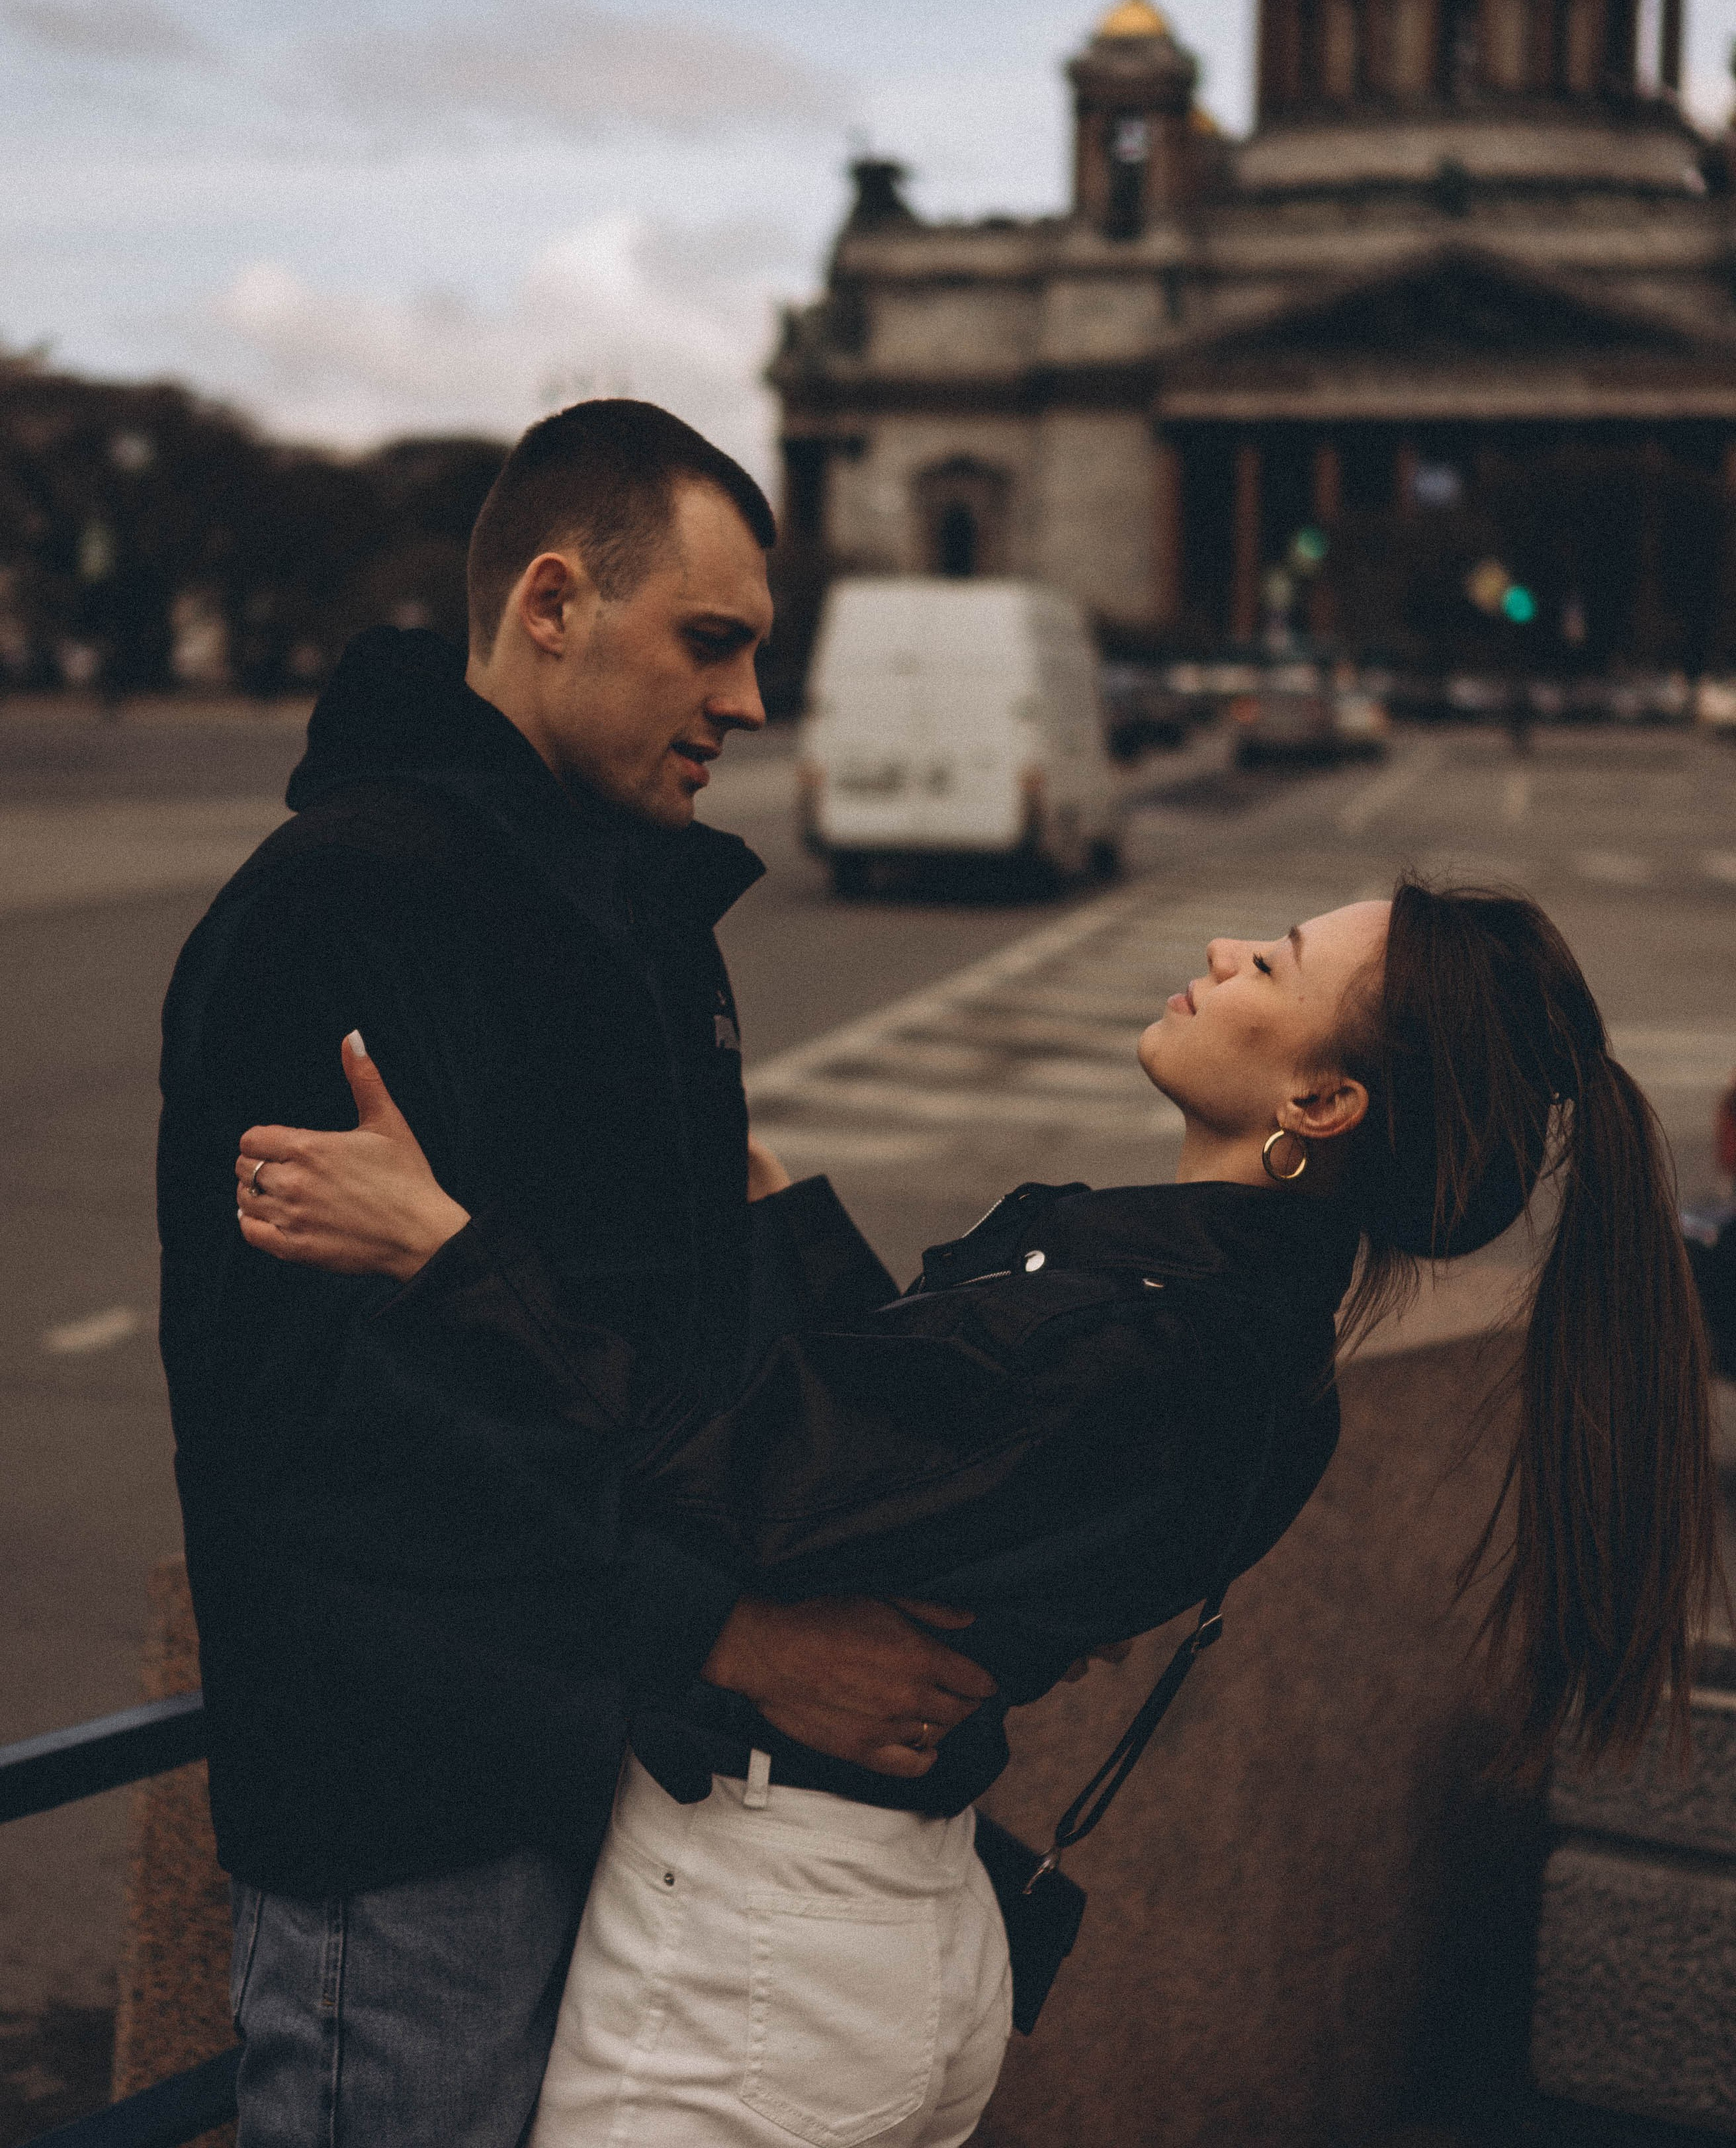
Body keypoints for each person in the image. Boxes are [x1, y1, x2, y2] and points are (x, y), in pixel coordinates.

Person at [236, 878, 1724, 2148]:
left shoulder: (1142, 1343)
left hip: (770, 1948)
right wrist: (767, 1199)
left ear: (1318, 1105)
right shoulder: (1233, 1334)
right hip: (871, 1927)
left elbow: (750, 1476)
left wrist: (441, 1249)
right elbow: (902, 1451)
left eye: (1271, 966)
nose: (1221, 954)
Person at [157, 399, 998, 2148]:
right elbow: (326, 1439)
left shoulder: (622, 909)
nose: (749, 702)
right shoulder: (345, 908)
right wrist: (736, 1637)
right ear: (552, 604)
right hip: (411, 1818)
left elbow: (650, 1363)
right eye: (710, 641)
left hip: (608, 1762)